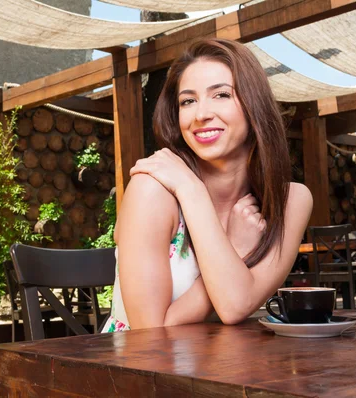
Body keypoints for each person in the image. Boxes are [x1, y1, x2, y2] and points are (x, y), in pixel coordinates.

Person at [101, 38, 313, 333]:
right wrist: (197, 197)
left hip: (231, 369)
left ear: (255, 104)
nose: (201, 114)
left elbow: (234, 304)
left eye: (221, 95)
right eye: (188, 101)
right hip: (138, 373)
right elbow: (150, 335)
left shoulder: (289, 200)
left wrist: (193, 194)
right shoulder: (153, 191)